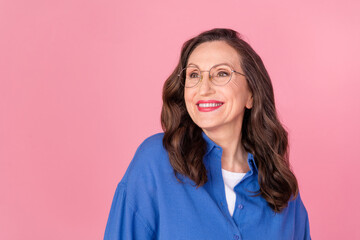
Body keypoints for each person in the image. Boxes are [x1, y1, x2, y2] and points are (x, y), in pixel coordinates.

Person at [104, 28, 311, 240]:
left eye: (221, 73)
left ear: (251, 94)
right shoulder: (155, 161)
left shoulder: (281, 187)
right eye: (194, 75)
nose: (203, 89)